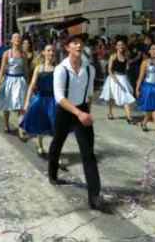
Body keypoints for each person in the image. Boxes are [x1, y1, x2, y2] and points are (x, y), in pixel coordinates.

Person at [49, 34, 108, 212]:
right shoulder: (61, 69)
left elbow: (89, 94)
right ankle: (52, 173)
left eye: (81, 43)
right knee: (58, 142)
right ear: (67, 47)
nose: (78, 46)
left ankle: (94, 196)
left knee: (88, 153)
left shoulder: (89, 69)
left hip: (82, 110)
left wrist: (86, 113)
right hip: (65, 110)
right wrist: (78, 113)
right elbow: (59, 97)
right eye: (75, 43)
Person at [20, 43, 57, 156]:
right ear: (44, 53)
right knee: (40, 123)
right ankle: (40, 145)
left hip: (53, 100)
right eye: (48, 50)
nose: (51, 53)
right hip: (40, 99)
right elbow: (32, 86)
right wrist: (27, 102)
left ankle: (55, 150)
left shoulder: (57, 69)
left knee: (55, 125)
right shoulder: (38, 68)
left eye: (53, 51)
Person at [0, 33, 29, 135]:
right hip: (9, 80)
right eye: (15, 37)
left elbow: (26, 69)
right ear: (11, 41)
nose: (17, 39)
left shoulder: (24, 54)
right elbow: (2, 70)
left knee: (21, 104)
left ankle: (21, 127)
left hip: (20, 81)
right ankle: (6, 124)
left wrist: (28, 83)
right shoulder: (6, 53)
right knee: (6, 103)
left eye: (19, 38)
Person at [100, 39, 136, 123]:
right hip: (114, 78)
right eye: (119, 45)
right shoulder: (113, 56)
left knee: (126, 95)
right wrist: (114, 79)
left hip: (123, 78)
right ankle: (110, 113)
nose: (121, 46)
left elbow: (126, 68)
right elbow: (109, 69)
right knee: (112, 96)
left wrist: (128, 65)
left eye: (122, 44)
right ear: (116, 47)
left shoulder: (125, 57)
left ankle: (129, 117)